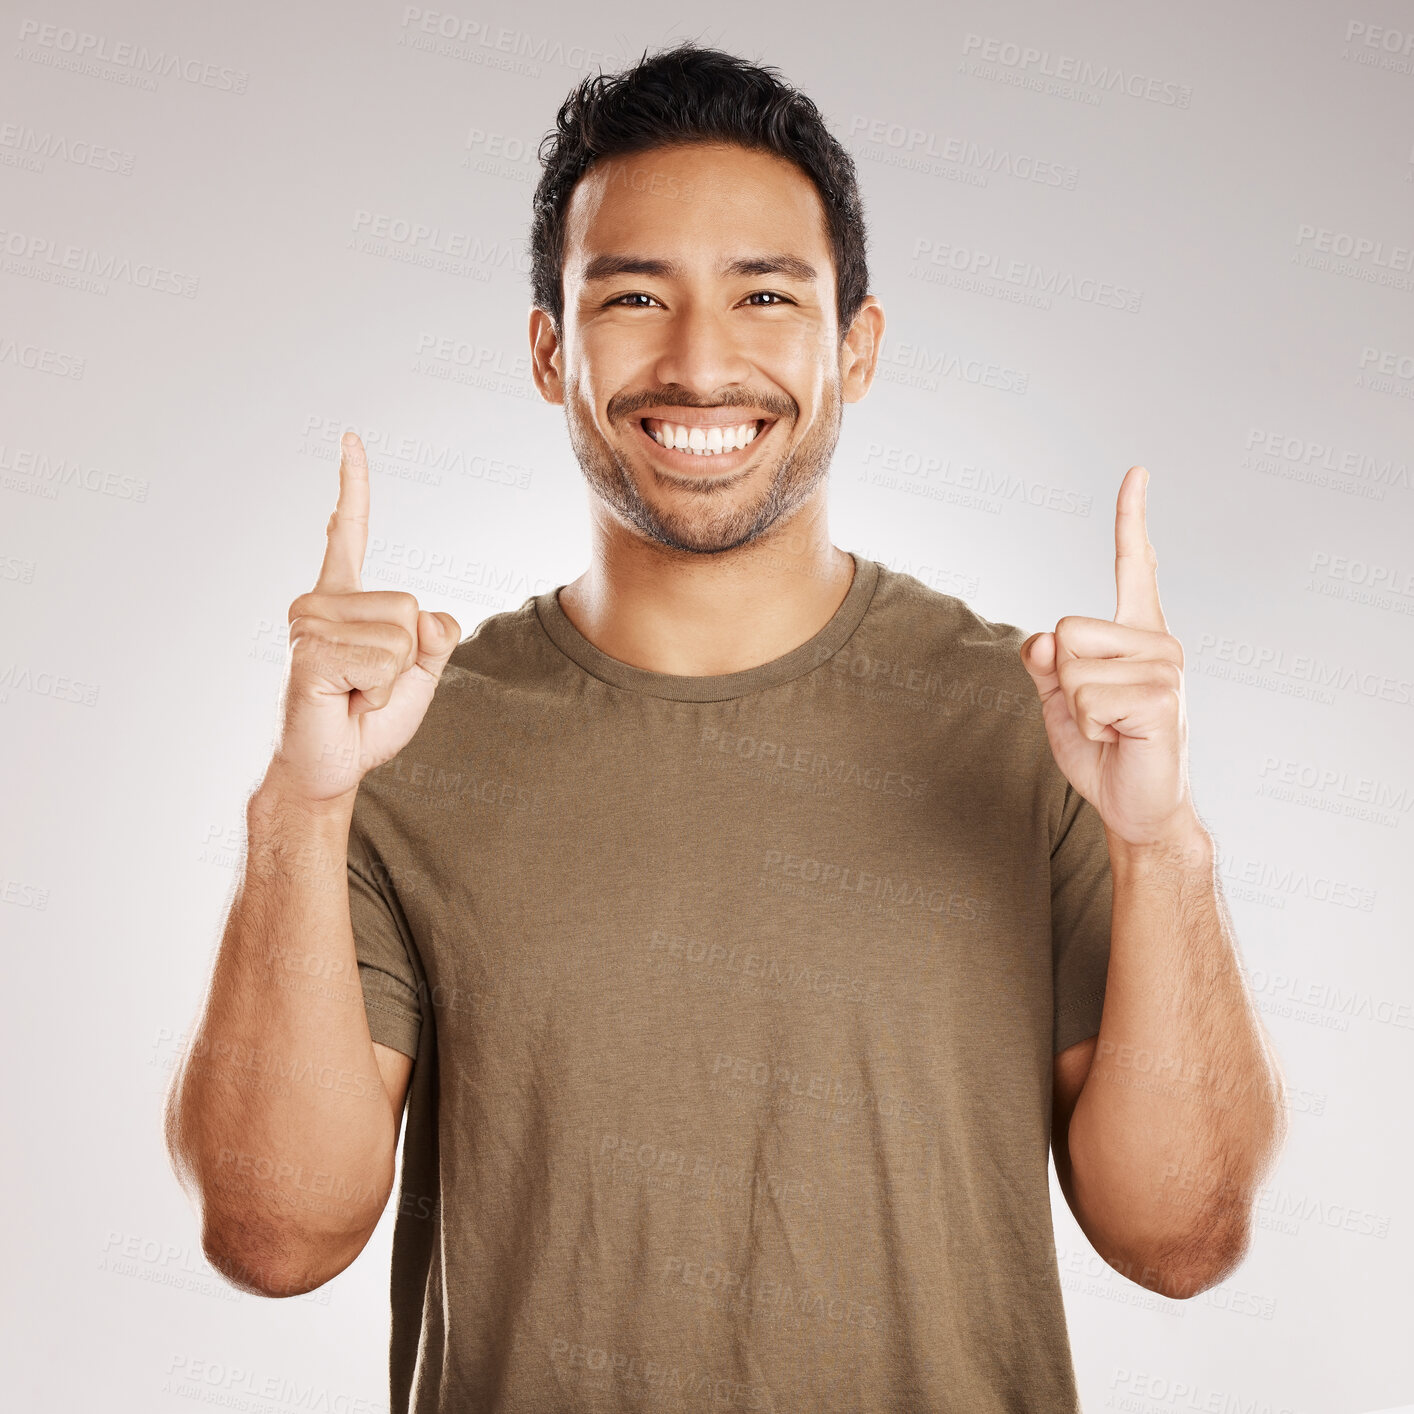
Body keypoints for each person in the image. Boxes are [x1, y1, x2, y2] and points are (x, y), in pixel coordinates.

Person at [164, 42, 1288, 1414]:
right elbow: (273, 1236)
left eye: (765, 294)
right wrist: (300, 803)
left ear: (854, 348)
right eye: (632, 297)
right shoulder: (399, 743)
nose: (700, 364)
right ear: (547, 351)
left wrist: (1159, 843)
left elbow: (1181, 1239)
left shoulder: (1037, 729)